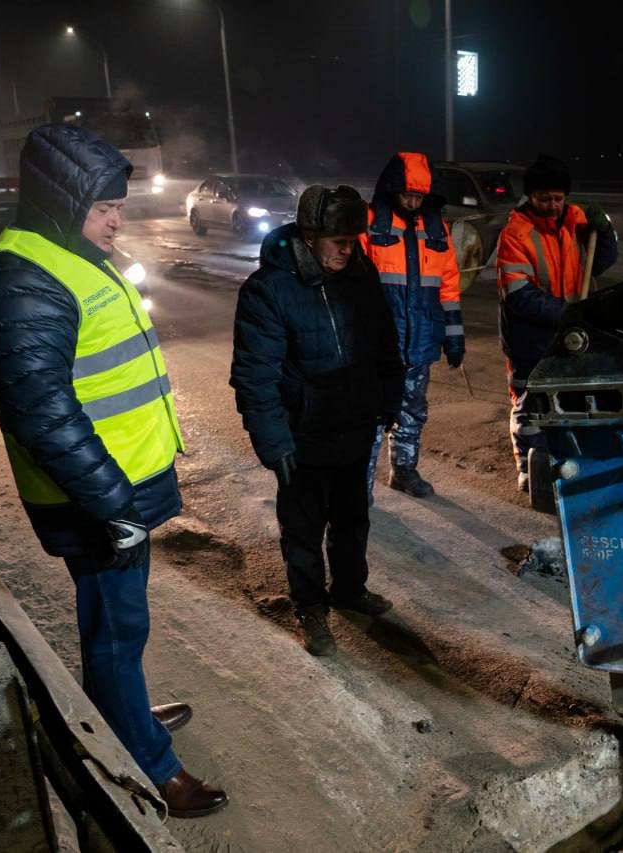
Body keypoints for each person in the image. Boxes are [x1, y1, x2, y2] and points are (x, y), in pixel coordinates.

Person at [0, 124, 227, 818]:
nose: (118, 220)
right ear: (59, 201)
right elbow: (42, 414)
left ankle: (125, 712)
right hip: (96, 496)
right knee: (114, 629)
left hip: (116, 485)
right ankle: (145, 762)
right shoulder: (20, 278)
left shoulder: (65, 252)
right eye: (105, 207)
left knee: (122, 625)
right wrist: (113, 504)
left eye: (119, 206)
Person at [231, 185, 404, 656]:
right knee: (304, 530)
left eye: (353, 239)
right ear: (309, 236)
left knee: (353, 520)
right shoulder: (268, 290)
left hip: (354, 425)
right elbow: (254, 378)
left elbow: (384, 345)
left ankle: (350, 590)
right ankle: (310, 607)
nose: (349, 249)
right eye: (338, 241)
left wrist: (390, 398)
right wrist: (274, 443)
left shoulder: (360, 276)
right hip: (302, 437)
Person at [496, 153, 619, 492]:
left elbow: (602, 262)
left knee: (573, 400)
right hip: (530, 338)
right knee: (530, 406)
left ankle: (568, 462)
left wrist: (605, 231)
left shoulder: (578, 220)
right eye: (543, 198)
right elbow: (519, 295)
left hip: (573, 334)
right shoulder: (516, 233)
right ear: (531, 197)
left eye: (557, 198)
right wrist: (568, 312)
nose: (552, 205)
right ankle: (530, 469)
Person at [360, 152, 464, 502]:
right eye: (408, 194)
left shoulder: (437, 230)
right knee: (373, 415)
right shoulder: (370, 223)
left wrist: (454, 338)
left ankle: (404, 471)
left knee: (412, 411)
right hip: (378, 346)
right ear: (392, 190)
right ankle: (360, 485)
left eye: (419, 196)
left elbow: (448, 287)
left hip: (419, 341)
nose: (413, 201)